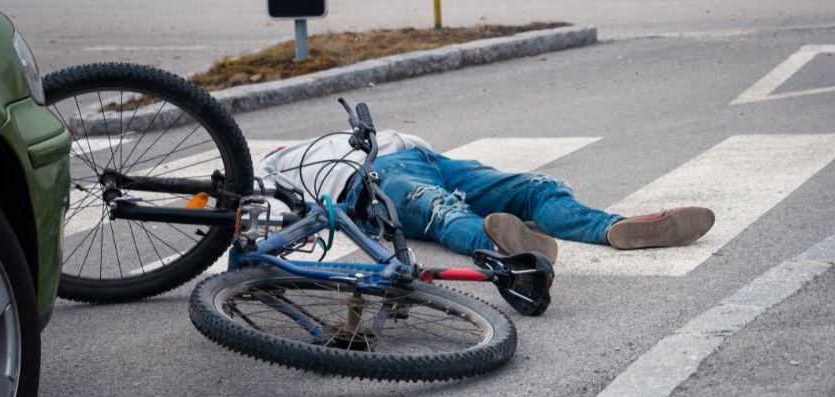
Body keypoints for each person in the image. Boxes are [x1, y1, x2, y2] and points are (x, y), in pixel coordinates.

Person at [255, 130, 715, 263]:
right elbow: (264, 203)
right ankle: (506, 244)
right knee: (440, 209)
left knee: (536, 187)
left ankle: (613, 227)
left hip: (430, 158)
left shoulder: (321, 139)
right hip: (367, 182)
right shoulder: (274, 167)